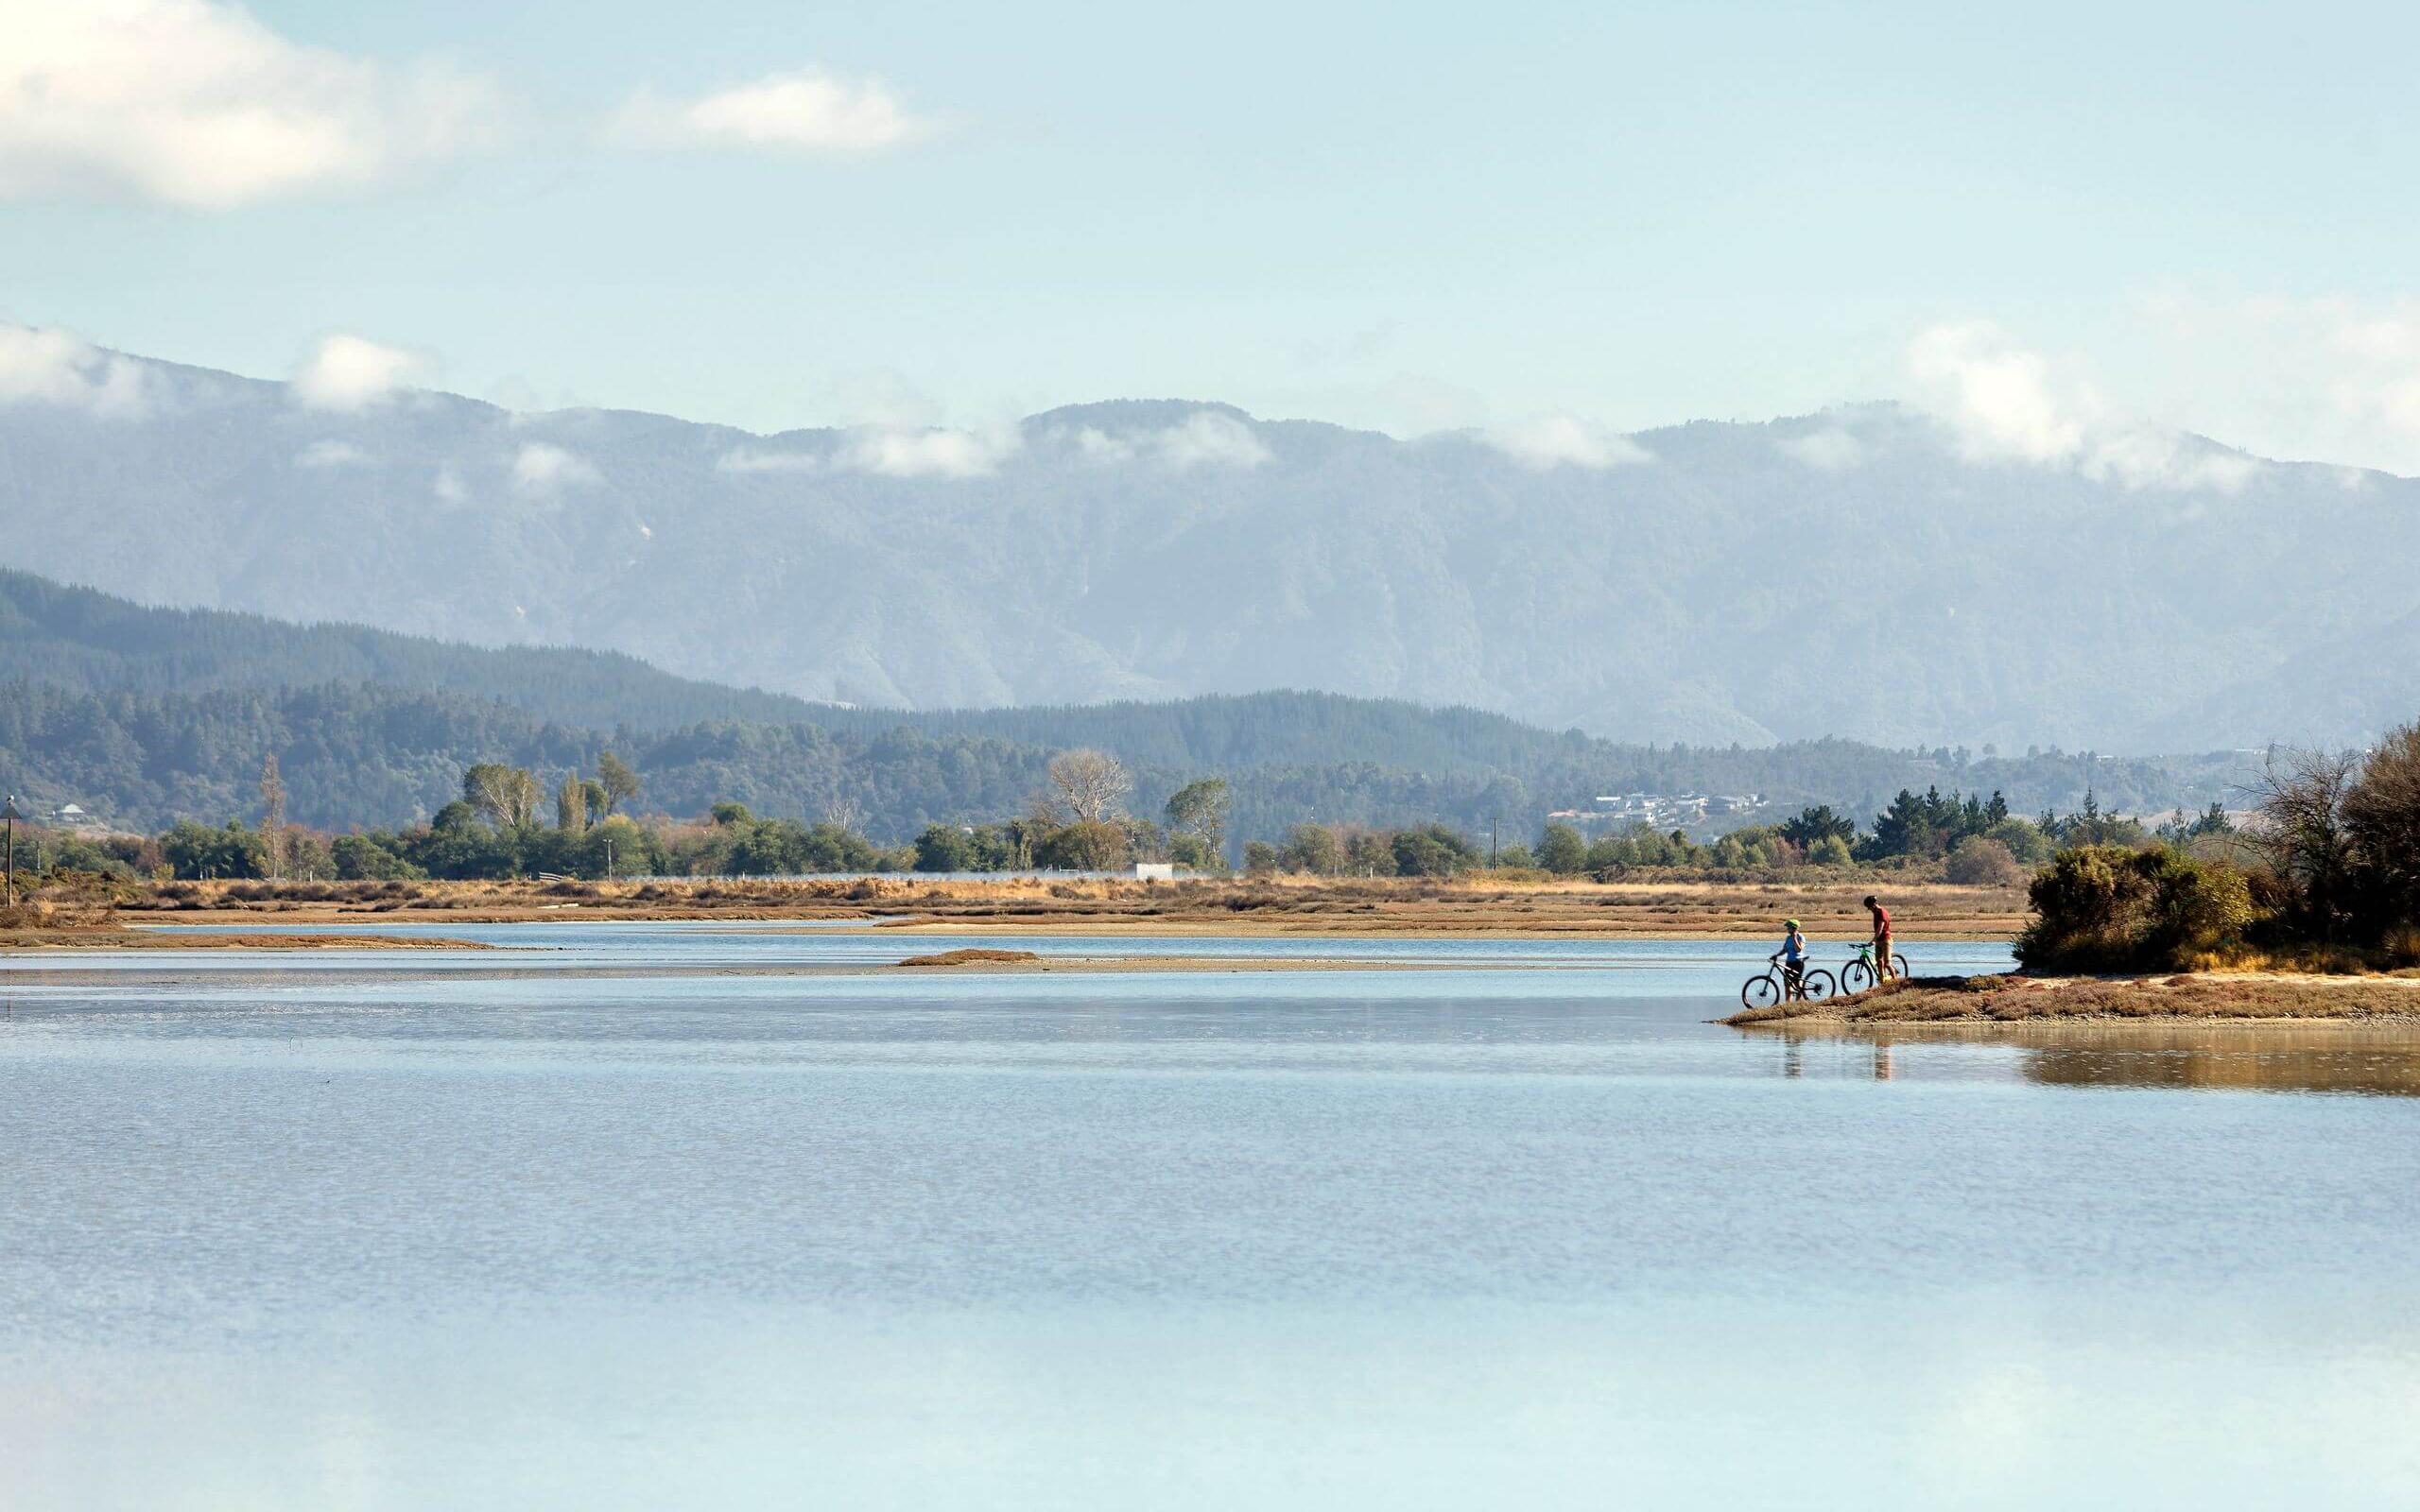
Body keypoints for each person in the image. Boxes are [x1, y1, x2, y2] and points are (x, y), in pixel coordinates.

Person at [1774, 918, 1808, 1000]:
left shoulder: (1801, 937)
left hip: (1798, 962)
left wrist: (1795, 938)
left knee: (1798, 984)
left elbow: (1799, 949)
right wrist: (1776, 955)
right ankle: (1788, 1004)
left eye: (1788, 927)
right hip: (1789, 963)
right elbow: (1785, 950)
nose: (1787, 929)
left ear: (1794, 928)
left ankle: (1797, 1003)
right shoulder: (1788, 938)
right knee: (1787, 984)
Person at [1864, 894, 1893, 982]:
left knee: (1887, 964)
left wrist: (1873, 940)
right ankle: (1883, 983)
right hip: (1879, 941)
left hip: (1886, 940)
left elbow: (1880, 929)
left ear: (1874, 905)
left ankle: (1896, 982)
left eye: (1870, 908)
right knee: (1879, 963)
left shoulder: (1882, 912)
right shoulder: (1875, 912)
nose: (1870, 910)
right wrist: (1876, 941)